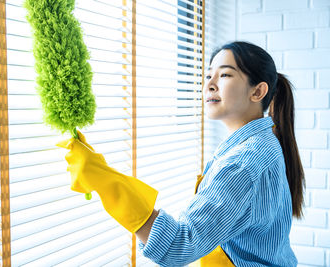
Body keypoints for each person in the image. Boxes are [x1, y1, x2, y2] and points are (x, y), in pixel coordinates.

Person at [58, 41, 305, 266]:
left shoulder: (243, 162)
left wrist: (105, 180)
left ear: (257, 92)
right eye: (209, 75)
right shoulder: (262, 143)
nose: (209, 83)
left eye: (225, 74)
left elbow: (178, 246)